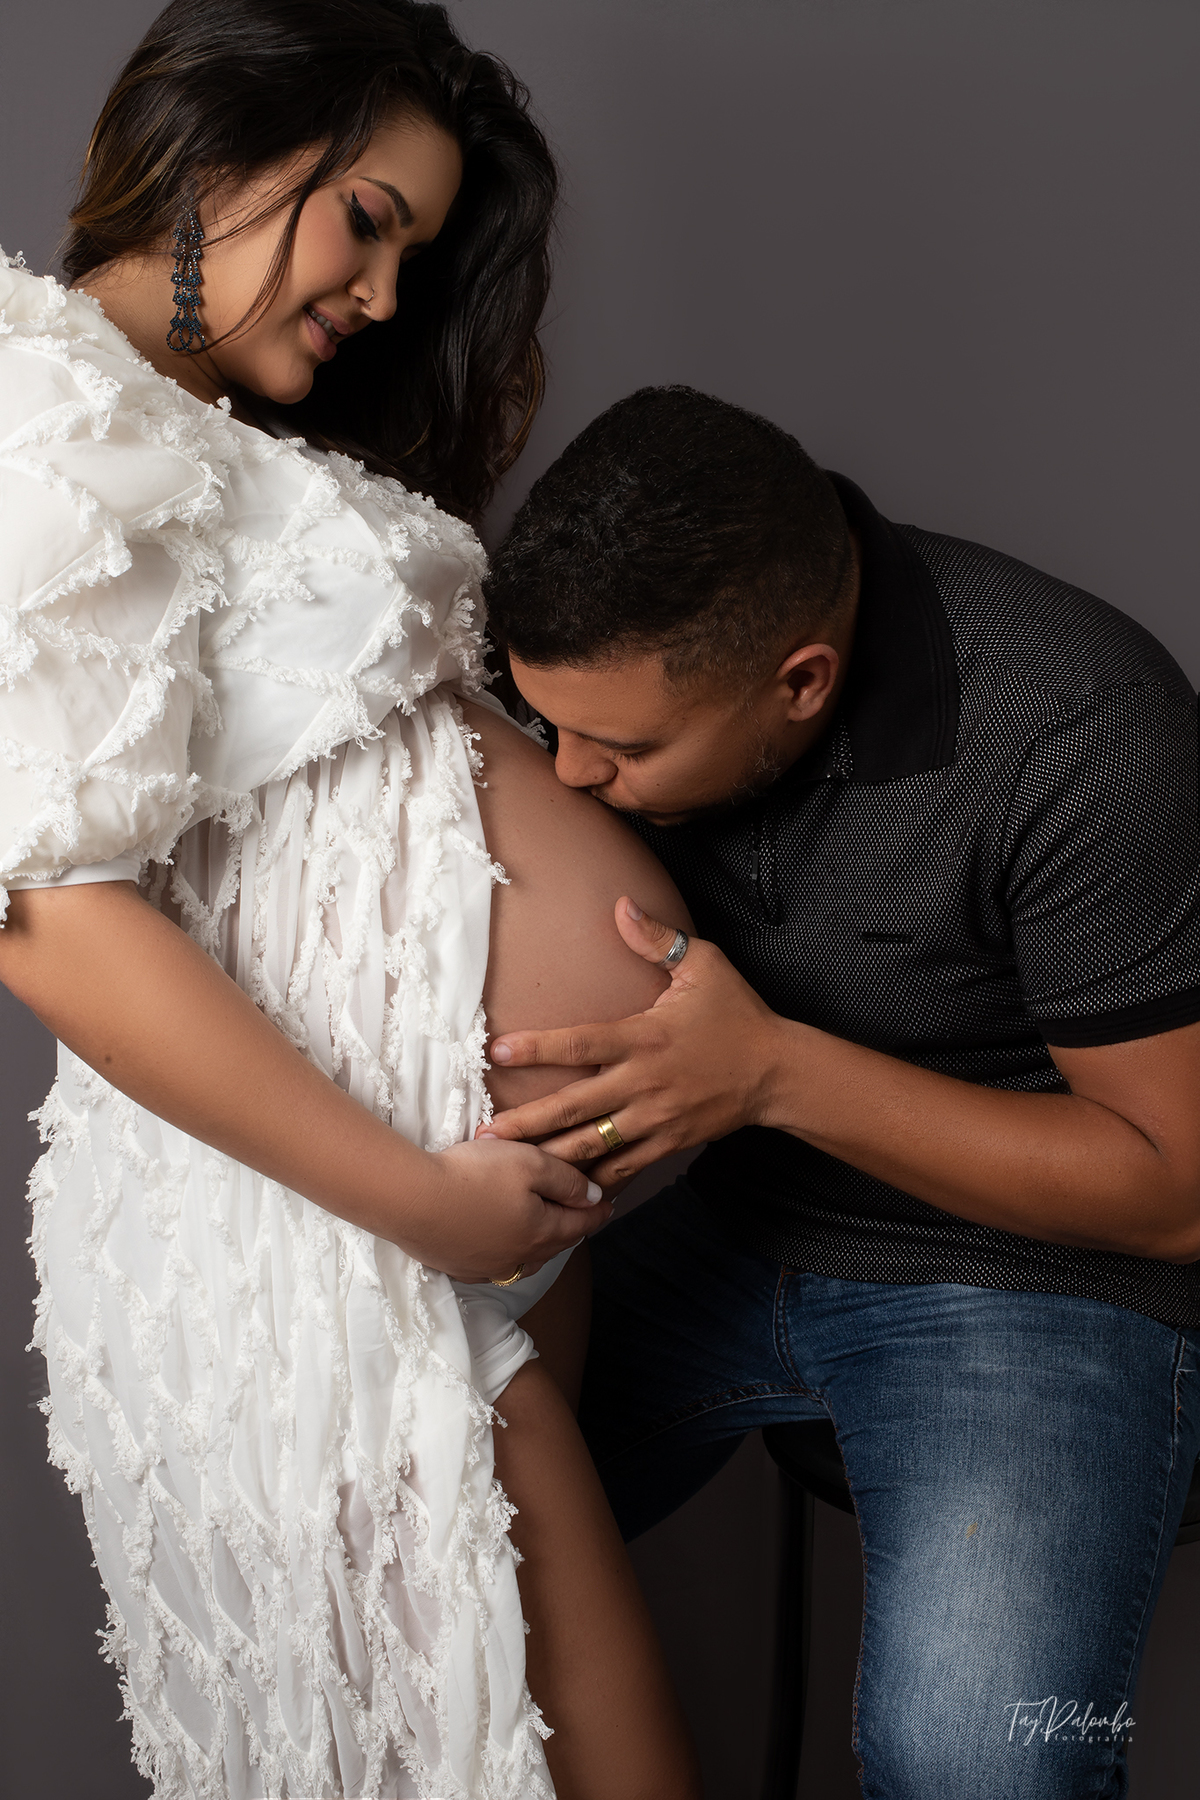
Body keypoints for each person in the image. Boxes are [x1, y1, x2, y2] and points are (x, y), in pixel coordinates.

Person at [0, 10, 703, 1799]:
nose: (391, 294)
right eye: (368, 219)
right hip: (326, 1223)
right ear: (217, 149)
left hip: (442, 1216)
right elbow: (44, 917)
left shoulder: (188, 422)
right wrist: (423, 1200)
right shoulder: (46, 417)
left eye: (418, 248)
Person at [480, 383, 1200, 1800]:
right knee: (394, 1569)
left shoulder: (1075, 727)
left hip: (1033, 1271)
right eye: (544, 721)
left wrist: (772, 1073)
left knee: (976, 1766)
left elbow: (1176, 1188)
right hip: (711, 1217)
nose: (570, 774)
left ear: (799, 681)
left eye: (622, 752)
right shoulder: (594, 674)